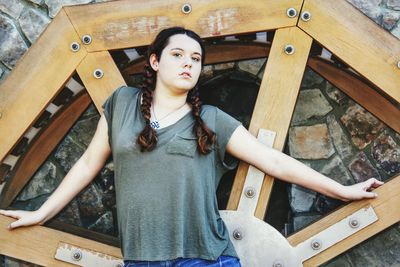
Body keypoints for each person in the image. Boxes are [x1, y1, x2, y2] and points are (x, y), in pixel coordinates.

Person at [0, 27, 383, 267]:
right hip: (141, 261)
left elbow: (274, 161)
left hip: (205, 259)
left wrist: (343, 190)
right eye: (178, 55)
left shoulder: (212, 120)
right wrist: (41, 213)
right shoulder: (122, 104)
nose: (188, 63)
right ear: (154, 61)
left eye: (196, 58)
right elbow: (87, 165)